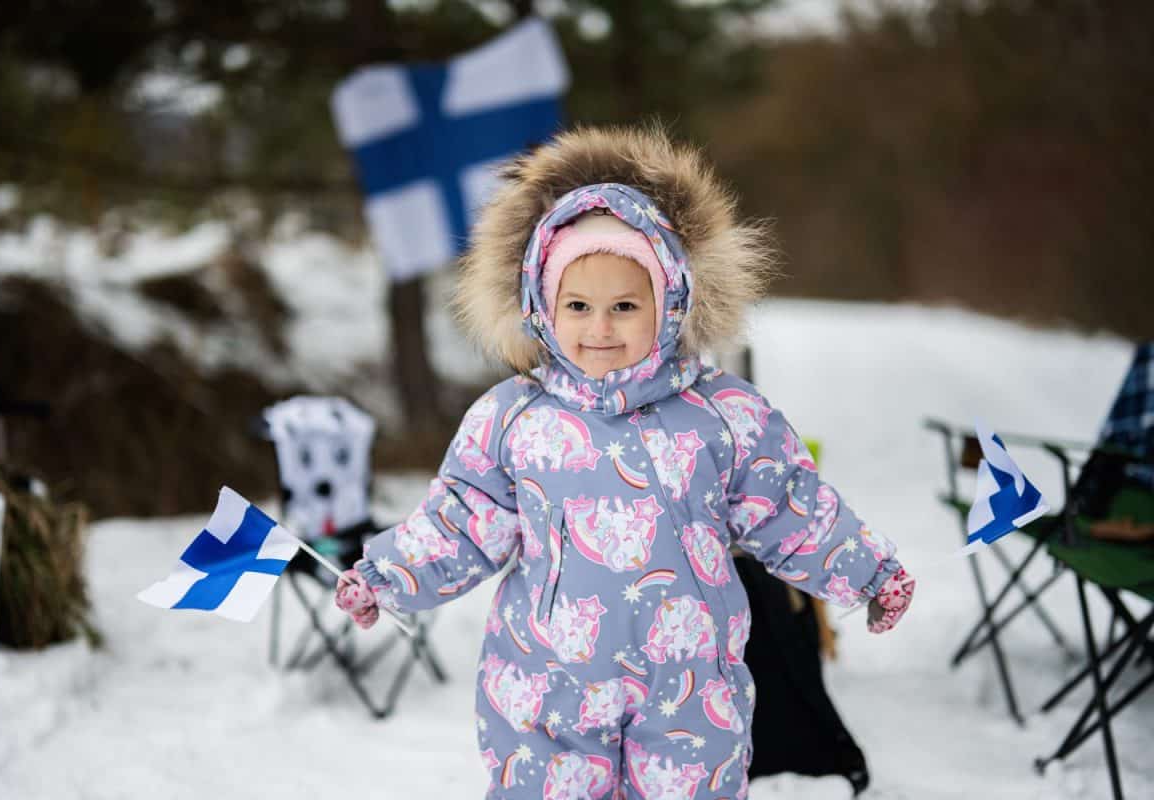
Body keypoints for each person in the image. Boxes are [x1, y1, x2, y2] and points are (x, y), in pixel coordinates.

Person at [335, 126, 916, 799]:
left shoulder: (722, 415)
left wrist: (869, 571)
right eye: (578, 307)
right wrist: (387, 574)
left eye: (624, 307)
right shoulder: (512, 419)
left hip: (690, 690)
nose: (600, 328)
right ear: (542, 309)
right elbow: (461, 521)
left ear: (669, 305)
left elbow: (789, 505)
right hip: (547, 686)